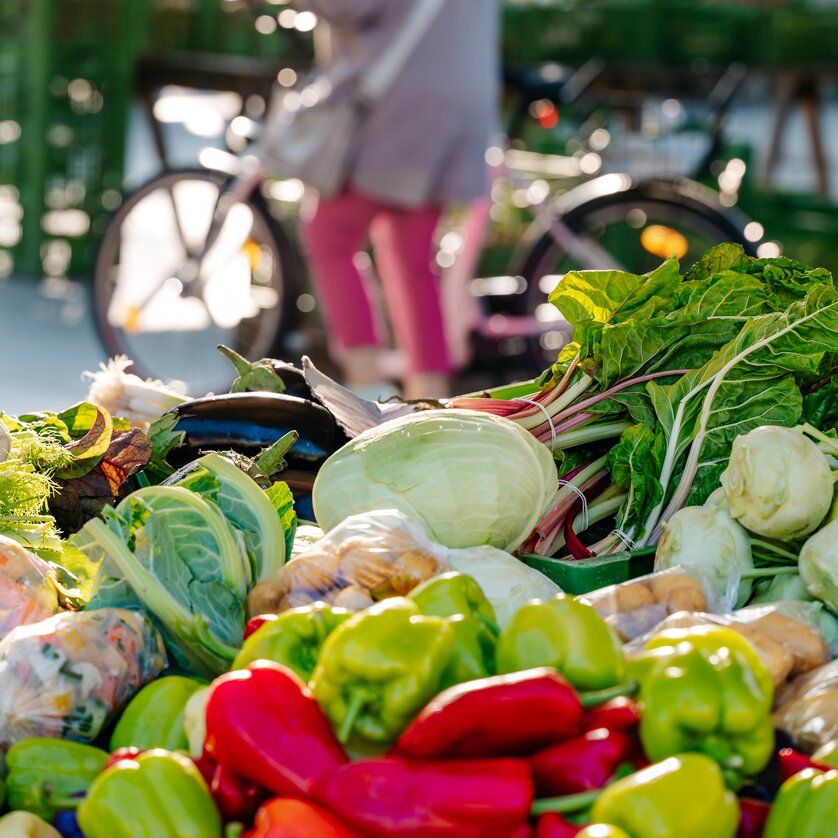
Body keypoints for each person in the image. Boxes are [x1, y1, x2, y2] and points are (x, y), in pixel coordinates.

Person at [294, 0, 500, 400]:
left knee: (330, 236)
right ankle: (429, 400)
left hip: (399, 102)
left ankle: (368, 395)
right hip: (455, 102)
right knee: (411, 259)